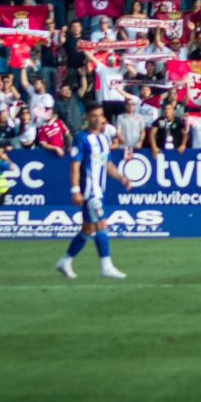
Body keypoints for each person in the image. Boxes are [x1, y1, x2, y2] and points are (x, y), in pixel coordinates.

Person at [56, 103, 132, 281]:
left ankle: (65, 261)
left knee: (88, 228)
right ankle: (106, 266)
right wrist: (75, 190)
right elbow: (74, 165)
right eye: (94, 116)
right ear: (87, 118)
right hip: (89, 191)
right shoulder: (81, 138)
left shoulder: (105, 139)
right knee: (101, 225)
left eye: (100, 115)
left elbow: (108, 164)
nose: (98, 119)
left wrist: (121, 177)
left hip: (100, 190)